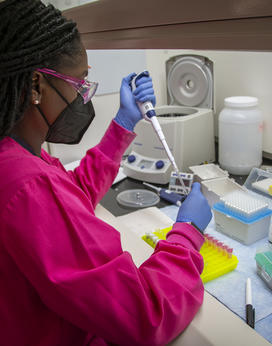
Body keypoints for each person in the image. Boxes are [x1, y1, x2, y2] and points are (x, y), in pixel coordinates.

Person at [0, 1, 212, 345]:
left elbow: (70, 195)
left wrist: (123, 123)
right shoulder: (27, 185)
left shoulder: (16, 155)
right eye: (79, 83)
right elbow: (144, 315)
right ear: (36, 86)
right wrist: (186, 234)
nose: (84, 95)